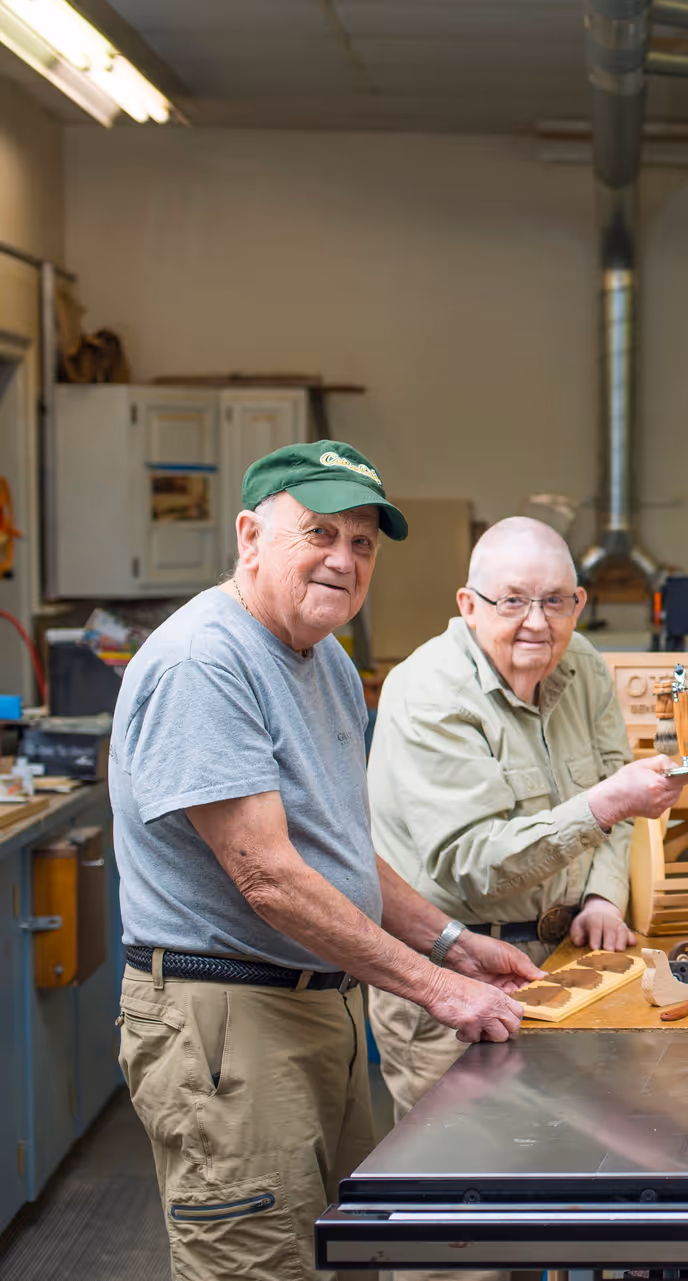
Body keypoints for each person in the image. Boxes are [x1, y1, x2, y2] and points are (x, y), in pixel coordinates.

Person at [112, 441, 545, 1281]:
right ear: (249, 535)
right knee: (259, 1262)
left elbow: (339, 852)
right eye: (319, 533)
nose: (343, 560)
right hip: (228, 1021)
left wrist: (451, 942)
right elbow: (266, 875)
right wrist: (434, 987)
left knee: (339, 1257)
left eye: (363, 542)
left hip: (319, 1007)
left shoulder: (330, 664)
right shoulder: (207, 660)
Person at [367, 517, 688, 1129]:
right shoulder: (428, 693)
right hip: (455, 975)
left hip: (572, 959)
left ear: (579, 603)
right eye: (512, 600)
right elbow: (474, 866)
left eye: (555, 601)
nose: (537, 622)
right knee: (463, 1181)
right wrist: (609, 803)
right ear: (469, 605)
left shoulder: (583, 663)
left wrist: (603, 895)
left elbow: (612, 783)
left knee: (571, 1162)